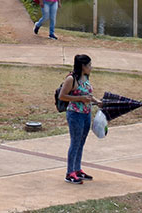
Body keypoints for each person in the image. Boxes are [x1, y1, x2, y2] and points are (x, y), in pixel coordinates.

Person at [59, 54, 100, 185]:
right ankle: (69, 173)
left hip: (86, 113)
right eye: (89, 65)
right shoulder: (71, 79)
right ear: (83, 66)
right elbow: (63, 96)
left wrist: (97, 101)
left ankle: (77, 169)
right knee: (75, 142)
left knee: (81, 142)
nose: (91, 68)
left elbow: (88, 94)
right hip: (75, 114)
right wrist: (80, 99)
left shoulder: (85, 77)